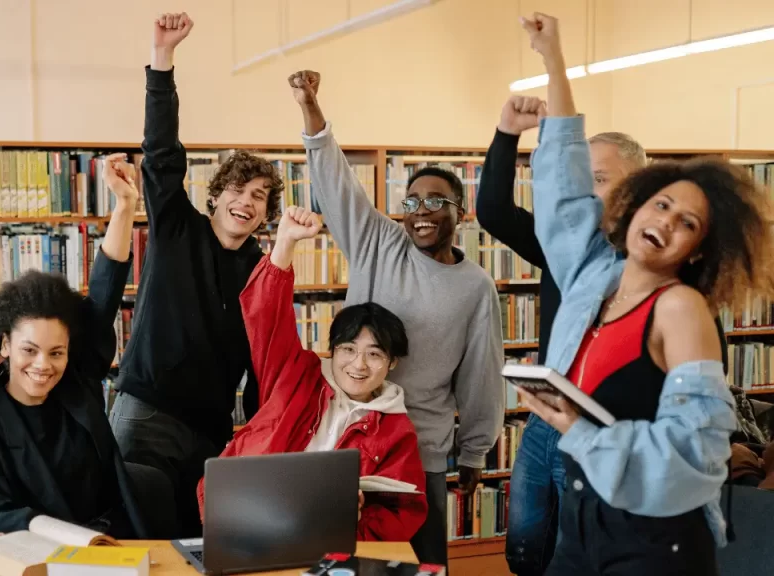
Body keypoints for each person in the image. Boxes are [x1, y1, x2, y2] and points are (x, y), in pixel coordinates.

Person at [516, 12, 774, 575]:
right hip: (585, 518)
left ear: (700, 251)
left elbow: (698, 455)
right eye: (662, 204)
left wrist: (576, 430)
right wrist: (554, 58)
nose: (666, 221)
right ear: (634, 207)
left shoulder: (680, 308)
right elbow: (562, 181)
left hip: (653, 540)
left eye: (688, 222)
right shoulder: (593, 274)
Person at [476, 96, 733, 576]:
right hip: (546, 422)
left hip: (609, 437)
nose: (583, 193)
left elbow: (689, 432)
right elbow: (493, 210)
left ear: (636, 189)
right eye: (579, 179)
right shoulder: (571, 254)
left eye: (598, 179)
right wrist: (509, 132)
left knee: (584, 539)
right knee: (528, 547)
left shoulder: (674, 294)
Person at [288, 71, 504, 565]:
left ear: (461, 212)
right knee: (338, 563)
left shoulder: (476, 287)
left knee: (418, 564)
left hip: (420, 447)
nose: (421, 211)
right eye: (411, 201)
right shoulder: (378, 241)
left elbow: (480, 373)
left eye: (436, 201)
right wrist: (310, 107)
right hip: (351, 436)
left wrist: (473, 451)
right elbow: (335, 182)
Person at [108, 12, 285, 537]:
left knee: (198, 546)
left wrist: (256, 435)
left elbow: (264, 359)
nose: (246, 202)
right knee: (134, 540)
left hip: (211, 433)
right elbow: (161, 153)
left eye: (259, 197)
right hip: (147, 415)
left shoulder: (260, 269)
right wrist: (162, 61)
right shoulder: (177, 227)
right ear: (216, 195)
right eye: (238, 190)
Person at [0, 154, 166, 538]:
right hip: (39, 551)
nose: (43, 365)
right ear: (5, 345)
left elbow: (104, 291)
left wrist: (125, 206)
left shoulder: (77, 384)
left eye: (56, 352)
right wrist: (73, 538)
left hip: (117, 542)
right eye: (29, 350)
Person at [196, 205, 428, 541]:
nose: (358, 365)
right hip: (248, 520)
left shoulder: (396, 428)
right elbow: (267, 317)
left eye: (374, 354)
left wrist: (354, 524)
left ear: (392, 363)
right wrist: (286, 241)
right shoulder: (295, 376)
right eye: (348, 350)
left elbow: (402, 513)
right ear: (332, 350)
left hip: (327, 542)